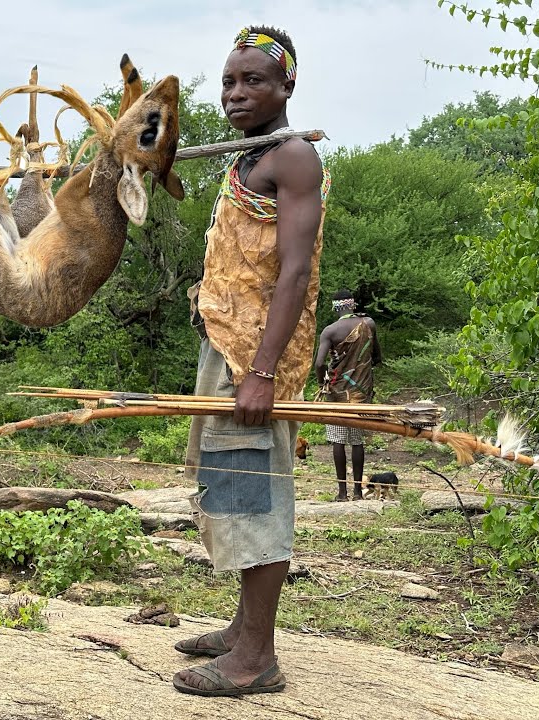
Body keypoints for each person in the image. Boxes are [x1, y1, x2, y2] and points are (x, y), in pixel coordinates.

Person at [173, 25, 328, 697]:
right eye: (230, 81)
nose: (237, 93)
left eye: (254, 81)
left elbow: (293, 273)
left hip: (256, 359)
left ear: (286, 87)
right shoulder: (249, 158)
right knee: (229, 487)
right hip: (230, 346)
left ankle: (255, 659)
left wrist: (262, 372)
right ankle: (243, 629)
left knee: (254, 494)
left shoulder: (293, 158)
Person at [314, 289, 382, 501]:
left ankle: (342, 493)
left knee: (337, 440)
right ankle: (357, 494)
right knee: (357, 440)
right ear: (352, 305)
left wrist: (321, 380)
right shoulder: (368, 324)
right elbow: (377, 357)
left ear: (335, 308)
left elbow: (318, 363)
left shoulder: (330, 331)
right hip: (361, 392)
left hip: (337, 392)